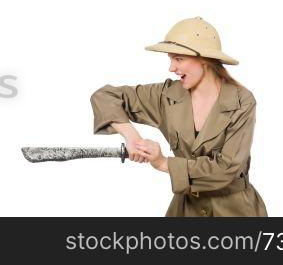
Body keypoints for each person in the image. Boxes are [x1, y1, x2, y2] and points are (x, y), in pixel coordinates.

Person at [91, 17, 267, 216]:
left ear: (204, 59)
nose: (171, 68)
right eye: (170, 59)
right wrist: (132, 136)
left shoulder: (241, 101)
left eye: (178, 59)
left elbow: (227, 168)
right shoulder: (166, 96)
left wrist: (163, 163)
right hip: (185, 210)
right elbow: (105, 96)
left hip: (235, 212)